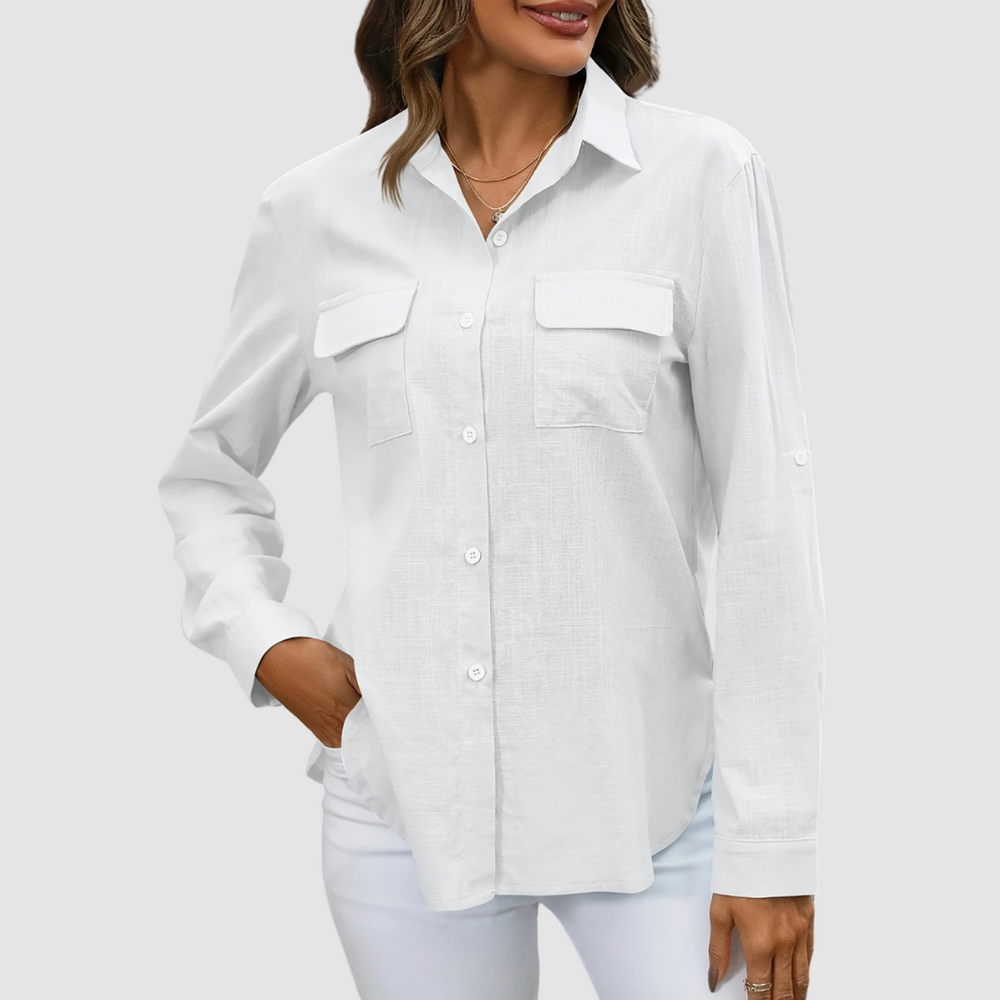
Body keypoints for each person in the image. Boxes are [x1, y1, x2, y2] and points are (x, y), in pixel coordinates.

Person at [157, 1, 826, 997]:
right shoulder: (316, 210)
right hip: (403, 809)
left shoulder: (700, 177)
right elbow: (209, 474)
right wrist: (269, 645)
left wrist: (771, 844)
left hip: (652, 812)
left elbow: (769, 511)